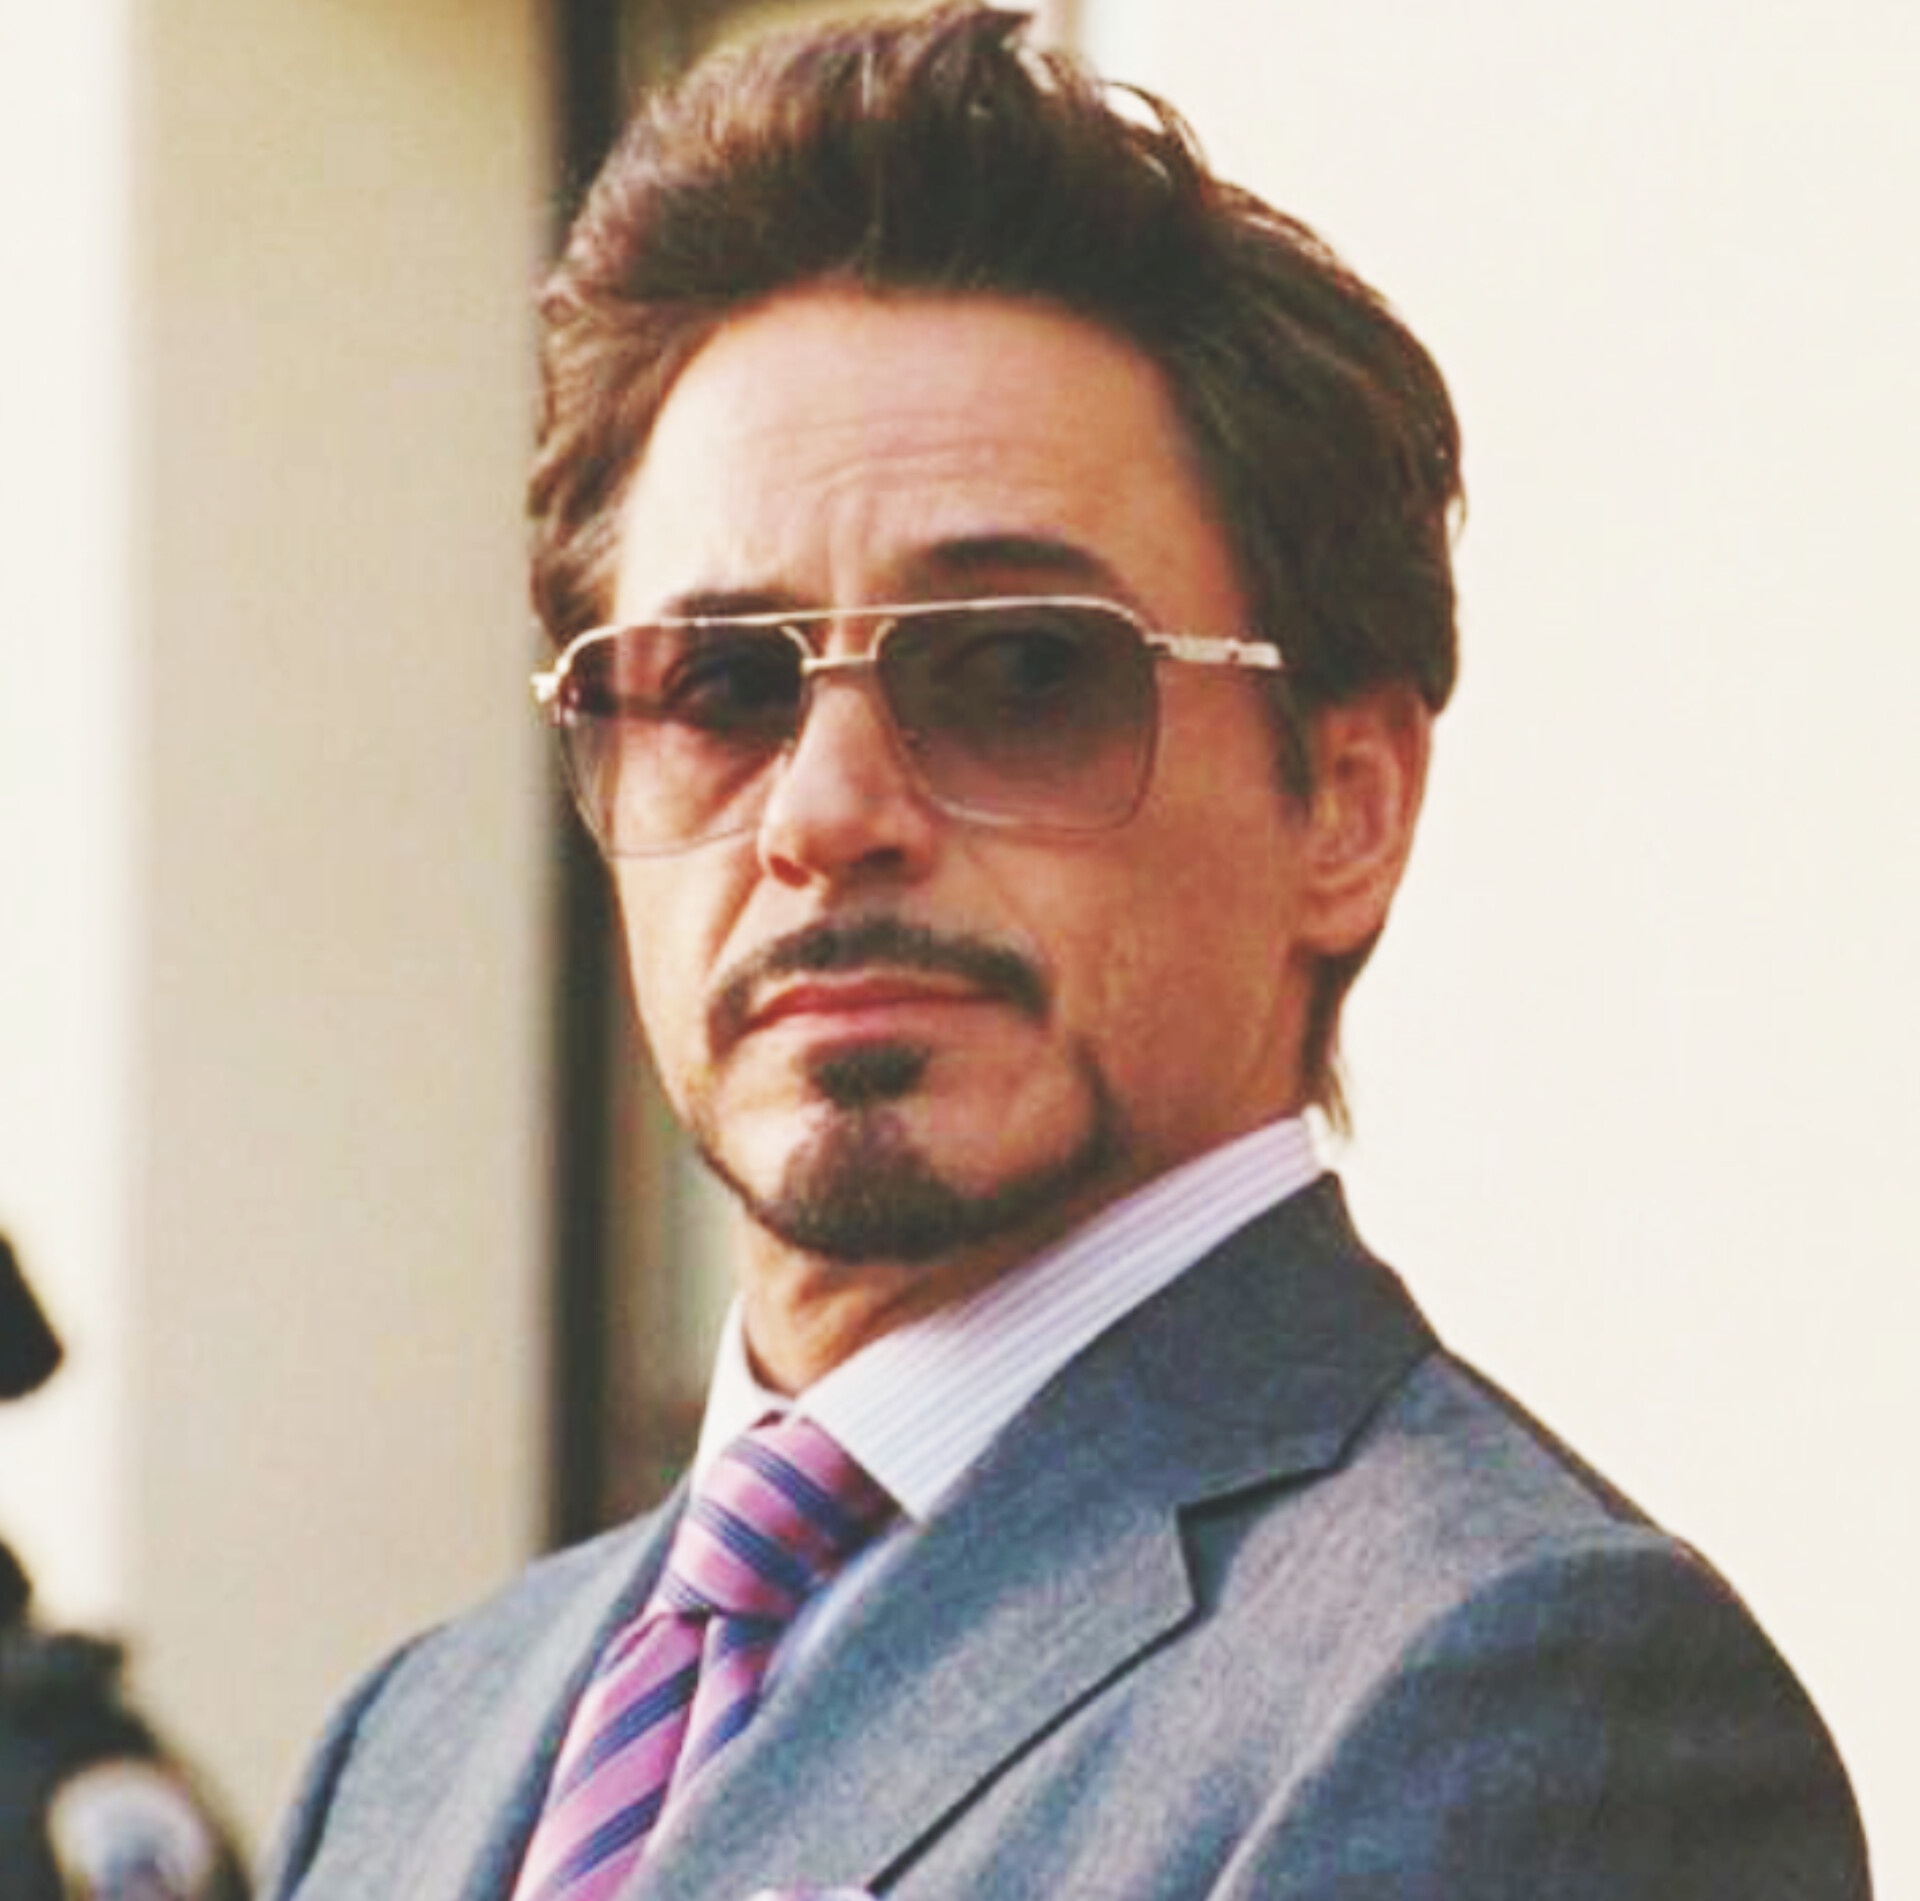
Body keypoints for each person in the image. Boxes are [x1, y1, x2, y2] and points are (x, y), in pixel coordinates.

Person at [263, 7, 1871, 1896]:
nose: (822, 811)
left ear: (1345, 806)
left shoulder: (1531, 1696)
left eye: (1019, 669)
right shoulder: (414, 1740)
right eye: (719, 686)